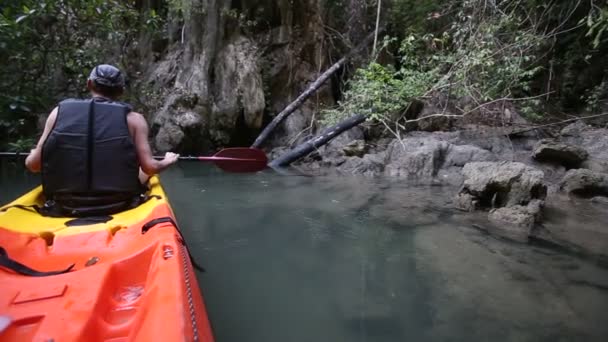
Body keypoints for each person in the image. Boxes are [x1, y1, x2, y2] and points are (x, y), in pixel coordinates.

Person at [25, 64, 179, 216]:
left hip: (66, 204)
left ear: (89, 84)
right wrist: (168, 160)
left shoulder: (58, 113)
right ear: (121, 90)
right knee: (142, 171)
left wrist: (34, 152)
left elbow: (33, 165)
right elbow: (149, 167)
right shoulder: (135, 120)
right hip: (118, 203)